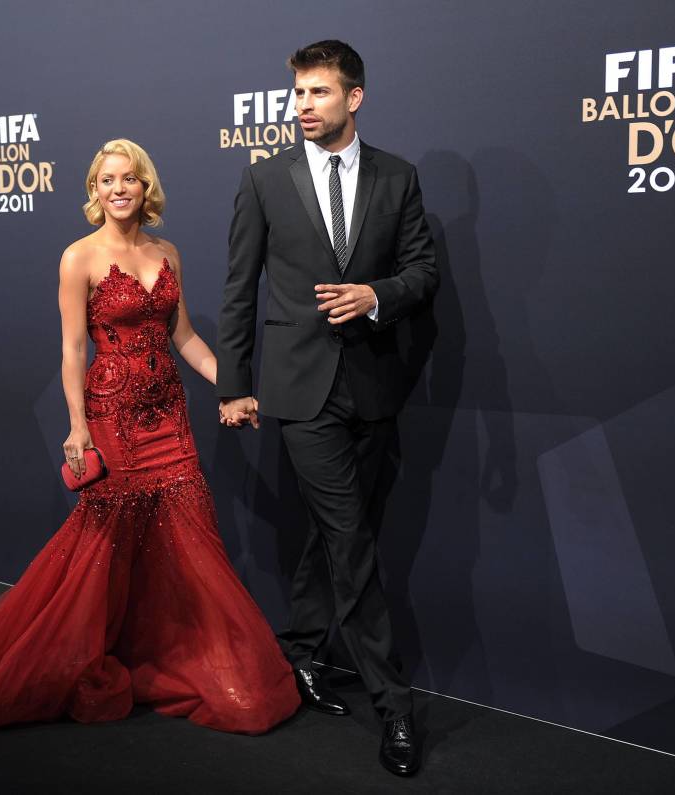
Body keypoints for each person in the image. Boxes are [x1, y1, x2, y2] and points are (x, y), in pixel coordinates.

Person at [0, 138, 300, 735]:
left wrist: (231, 387)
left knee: (188, 533)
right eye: (106, 180)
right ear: (94, 192)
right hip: (112, 414)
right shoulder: (79, 258)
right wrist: (77, 427)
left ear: (146, 186)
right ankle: (71, 646)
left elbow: (187, 339)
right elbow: (73, 350)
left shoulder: (167, 252)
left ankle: (164, 648)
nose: (118, 189)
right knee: (108, 539)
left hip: (169, 415)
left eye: (128, 178)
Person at [215, 41, 438, 776]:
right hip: (298, 389)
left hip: (374, 385)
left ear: (355, 97)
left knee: (336, 528)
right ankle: (394, 703)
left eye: (317, 92)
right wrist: (235, 384)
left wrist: (376, 296)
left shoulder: (396, 177)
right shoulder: (264, 180)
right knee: (349, 539)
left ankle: (304, 652)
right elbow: (238, 288)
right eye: (298, 93)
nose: (302, 105)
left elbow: (423, 271)